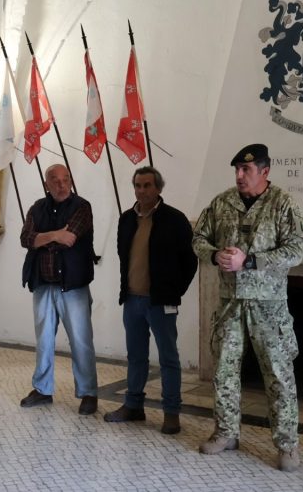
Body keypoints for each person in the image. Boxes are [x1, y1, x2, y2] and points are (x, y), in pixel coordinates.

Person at [192, 143, 303, 471]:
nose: (240, 175)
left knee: (278, 375)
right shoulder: (222, 202)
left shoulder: (283, 203)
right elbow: (198, 239)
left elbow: (295, 251)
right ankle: (226, 432)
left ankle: (287, 445)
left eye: (246, 169)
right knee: (224, 371)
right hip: (230, 303)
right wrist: (215, 255)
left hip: (268, 306)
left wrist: (250, 261)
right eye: (237, 169)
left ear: (265, 171)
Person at [104, 166, 197, 434]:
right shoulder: (126, 219)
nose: (142, 190)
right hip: (132, 300)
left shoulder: (175, 219)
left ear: (158, 188)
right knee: (136, 356)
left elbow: (190, 261)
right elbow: (123, 256)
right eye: (138, 185)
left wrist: (174, 291)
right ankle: (133, 406)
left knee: (168, 358)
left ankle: (171, 412)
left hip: (161, 302)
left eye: (147, 185)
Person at [19, 163, 99, 415]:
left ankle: (88, 393)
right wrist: (55, 235)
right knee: (43, 341)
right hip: (42, 284)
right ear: (47, 184)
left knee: (81, 341)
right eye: (55, 180)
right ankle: (42, 389)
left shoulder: (82, 207)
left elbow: (69, 239)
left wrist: (42, 238)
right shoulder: (36, 208)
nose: (61, 184)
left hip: (73, 287)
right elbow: (25, 239)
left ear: (71, 181)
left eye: (65, 179)